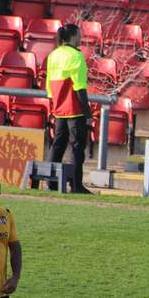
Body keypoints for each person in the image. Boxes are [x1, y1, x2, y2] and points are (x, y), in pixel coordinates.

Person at [45, 23, 92, 194]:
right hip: (74, 107)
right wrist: (88, 113)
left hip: (58, 106)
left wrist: (54, 105)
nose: (81, 38)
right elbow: (79, 87)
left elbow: (49, 85)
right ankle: (76, 185)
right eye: (79, 35)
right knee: (77, 147)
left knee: (58, 144)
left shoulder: (53, 55)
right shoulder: (77, 56)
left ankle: (50, 182)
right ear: (73, 36)